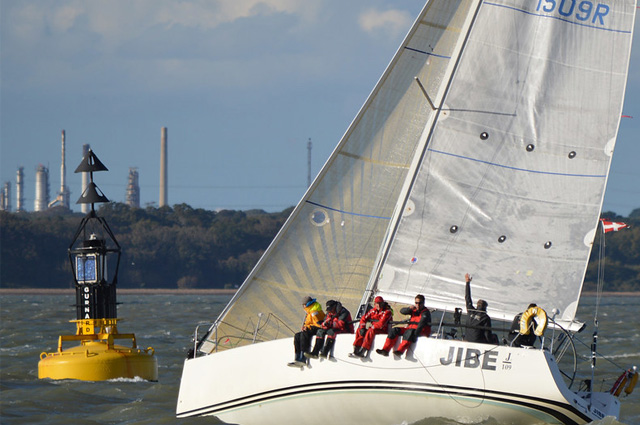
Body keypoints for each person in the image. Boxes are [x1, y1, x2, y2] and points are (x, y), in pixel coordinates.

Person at [287, 296, 325, 367]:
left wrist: (307, 327)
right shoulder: (310, 310)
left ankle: (303, 358)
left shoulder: (315, 311)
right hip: (313, 328)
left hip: (318, 328)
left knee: (304, 334)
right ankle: (297, 358)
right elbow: (309, 322)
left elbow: (319, 324)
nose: (303, 307)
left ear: (307, 304)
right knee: (297, 336)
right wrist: (305, 326)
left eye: (303, 305)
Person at [463, 273, 494, 344]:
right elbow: (487, 334)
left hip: (467, 339)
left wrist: (467, 283)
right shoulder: (485, 318)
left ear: (477, 305)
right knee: (494, 336)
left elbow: (467, 297)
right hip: (478, 341)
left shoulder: (470, 310)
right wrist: (491, 343)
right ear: (485, 307)